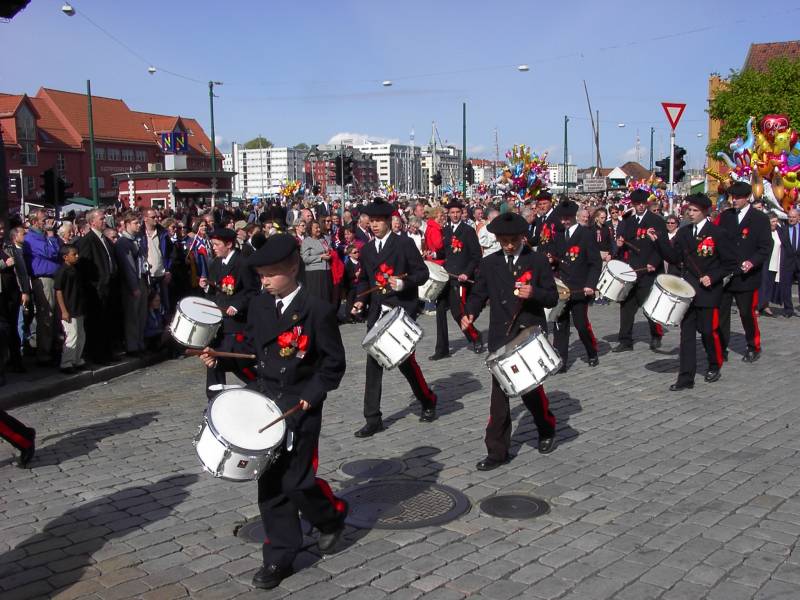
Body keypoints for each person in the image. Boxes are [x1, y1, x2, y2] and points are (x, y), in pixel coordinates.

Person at [198, 234, 348, 590]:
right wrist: (221, 354)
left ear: (292, 268)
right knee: (271, 485)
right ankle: (280, 554)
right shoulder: (262, 307)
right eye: (261, 275)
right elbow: (253, 351)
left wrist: (313, 394)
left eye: (270, 275)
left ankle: (330, 517)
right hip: (265, 405)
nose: (263, 282)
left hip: (300, 406)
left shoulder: (317, 309)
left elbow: (333, 365)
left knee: (296, 482)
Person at [462, 213, 559, 471]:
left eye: (513, 240)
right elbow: (479, 293)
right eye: (503, 241)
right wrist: (469, 312)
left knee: (529, 391)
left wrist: (534, 293)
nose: (508, 245)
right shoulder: (489, 263)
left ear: (522, 237)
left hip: (527, 334)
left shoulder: (536, 260)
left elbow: (552, 297)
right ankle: (497, 450)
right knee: (499, 396)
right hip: (500, 336)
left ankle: (546, 426)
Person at [352, 198, 437, 437]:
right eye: (372, 221)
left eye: (379, 221)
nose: (375, 225)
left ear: (390, 221)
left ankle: (428, 400)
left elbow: (422, 273)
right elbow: (365, 280)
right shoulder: (367, 249)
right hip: (377, 313)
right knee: (373, 364)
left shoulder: (404, 244)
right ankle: (373, 418)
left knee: (406, 363)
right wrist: (360, 299)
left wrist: (403, 283)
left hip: (400, 311)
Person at [649, 193, 737, 391]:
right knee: (686, 335)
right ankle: (685, 377)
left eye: (695, 210)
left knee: (707, 331)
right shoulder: (684, 232)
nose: (690, 213)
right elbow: (673, 257)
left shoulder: (717, 233)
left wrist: (713, 277)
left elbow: (730, 264)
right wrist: (658, 241)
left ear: (705, 212)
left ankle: (715, 363)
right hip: (687, 291)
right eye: (689, 209)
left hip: (708, 291)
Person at [717, 181, 772, 362]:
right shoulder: (726, 216)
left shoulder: (760, 218)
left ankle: (752, 345)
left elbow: (765, 247)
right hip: (726, 274)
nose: (734, 201)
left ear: (747, 198)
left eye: (738, 197)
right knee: (722, 314)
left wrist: (752, 262)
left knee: (747, 313)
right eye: (732, 197)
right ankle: (721, 347)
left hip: (747, 276)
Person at [200, 228, 258, 398]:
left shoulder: (243, 263)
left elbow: (252, 291)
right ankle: (214, 397)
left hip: (237, 323)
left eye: (217, 245)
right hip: (219, 322)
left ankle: (262, 384)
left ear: (229, 244)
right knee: (213, 358)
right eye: (213, 245)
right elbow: (216, 290)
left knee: (238, 362)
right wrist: (207, 286)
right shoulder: (216, 263)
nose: (214, 248)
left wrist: (238, 306)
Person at [613, 189, 668, 352]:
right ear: (633, 204)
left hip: (648, 270)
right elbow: (621, 241)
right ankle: (625, 340)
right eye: (637, 204)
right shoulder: (627, 221)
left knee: (649, 305)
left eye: (643, 203)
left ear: (647, 203)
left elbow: (661, 245)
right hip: (631, 270)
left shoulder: (656, 221)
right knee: (626, 306)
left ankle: (656, 335)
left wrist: (654, 262)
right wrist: (619, 244)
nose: (640, 206)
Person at [551, 199, 601, 371]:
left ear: (574, 216)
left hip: (580, 287)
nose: (564, 221)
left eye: (567, 218)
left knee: (581, 325)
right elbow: (556, 259)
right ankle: (561, 361)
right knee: (560, 325)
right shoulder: (558, 235)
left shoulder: (586, 234)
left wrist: (591, 284)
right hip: (563, 289)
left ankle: (592, 351)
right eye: (562, 218)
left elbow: (595, 263)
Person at [429, 200, 484, 360]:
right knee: (440, 312)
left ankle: (474, 337)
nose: (454, 215)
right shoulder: (445, 230)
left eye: (457, 212)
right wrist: (434, 255)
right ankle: (442, 349)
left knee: (457, 312)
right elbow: (444, 253)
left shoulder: (468, 231)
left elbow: (476, 256)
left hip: (460, 279)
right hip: (446, 277)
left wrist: (467, 273)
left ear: (462, 213)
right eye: (452, 212)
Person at [77, 209, 119, 365]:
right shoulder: (87, 241)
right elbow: (85, 266)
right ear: (92, 222)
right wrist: (96, 284)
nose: (104, 221)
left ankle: (108, 352)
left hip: (109, 287)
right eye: (101, 219)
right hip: (96, 289)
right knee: (97, 323)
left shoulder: (105, 239)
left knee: (108, 321)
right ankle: (98, 355)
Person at [23, 210, 62, 365]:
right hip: (43, 279)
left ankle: (53, 348)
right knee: (47, 315)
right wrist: (51, 235)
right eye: (44, 219)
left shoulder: (45, 236)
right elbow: (51, 252)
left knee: (55, 316)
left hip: (54, 277)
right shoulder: (31, 238)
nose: (47, 222)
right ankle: (44, 352)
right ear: (34, 222)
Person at [115, 212, 149, 357]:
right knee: (132, 316)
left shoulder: (139, 239)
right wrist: (134, 287)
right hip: (132, 283)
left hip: (142, 279)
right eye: (135, 222)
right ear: (127, 224)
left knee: (141, 314)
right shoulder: (123, 243)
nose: (139, 225)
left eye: (139, 222)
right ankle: (132, 345)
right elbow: (128, 266)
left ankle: (140, 342)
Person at [54, 245, 87, 374]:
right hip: (69, 309)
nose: (77, 256)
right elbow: (58, 291)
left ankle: (77, 359)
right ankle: (66, 362)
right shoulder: (62, 271)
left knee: (81, 335)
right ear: (65, 257)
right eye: (74, 254)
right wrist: (64, 311)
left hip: (78, 307)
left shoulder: (75, 269)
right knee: (71, 336)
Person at [300, 221, 333, 303]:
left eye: (319, 227)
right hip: (314, 273)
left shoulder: (324, 239)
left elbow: (330, 249)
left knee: (327, 296)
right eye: (316, 228)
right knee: (317, 297)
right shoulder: (306, 241)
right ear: (310, 230)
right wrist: (320, 257)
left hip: (326, 271)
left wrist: (330, 253)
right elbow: (305, 259)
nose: (319, 229)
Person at [759, 212, 782, 317]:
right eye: (773, 221)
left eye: (776, 221)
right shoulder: (764, 232)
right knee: (762, 285)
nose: (775, 223)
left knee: (770, 285)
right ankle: (757, 306)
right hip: (765, 262)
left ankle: (766, 305)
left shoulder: (779, 232)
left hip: (775, 262)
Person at [779, 208, 800, 317]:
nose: (791, 219)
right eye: (789, 217)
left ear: (798, 218)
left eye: (793, 217)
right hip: (788, 262)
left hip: (799, 261)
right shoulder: (783, 229)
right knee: (786, 286)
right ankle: (788, 309)